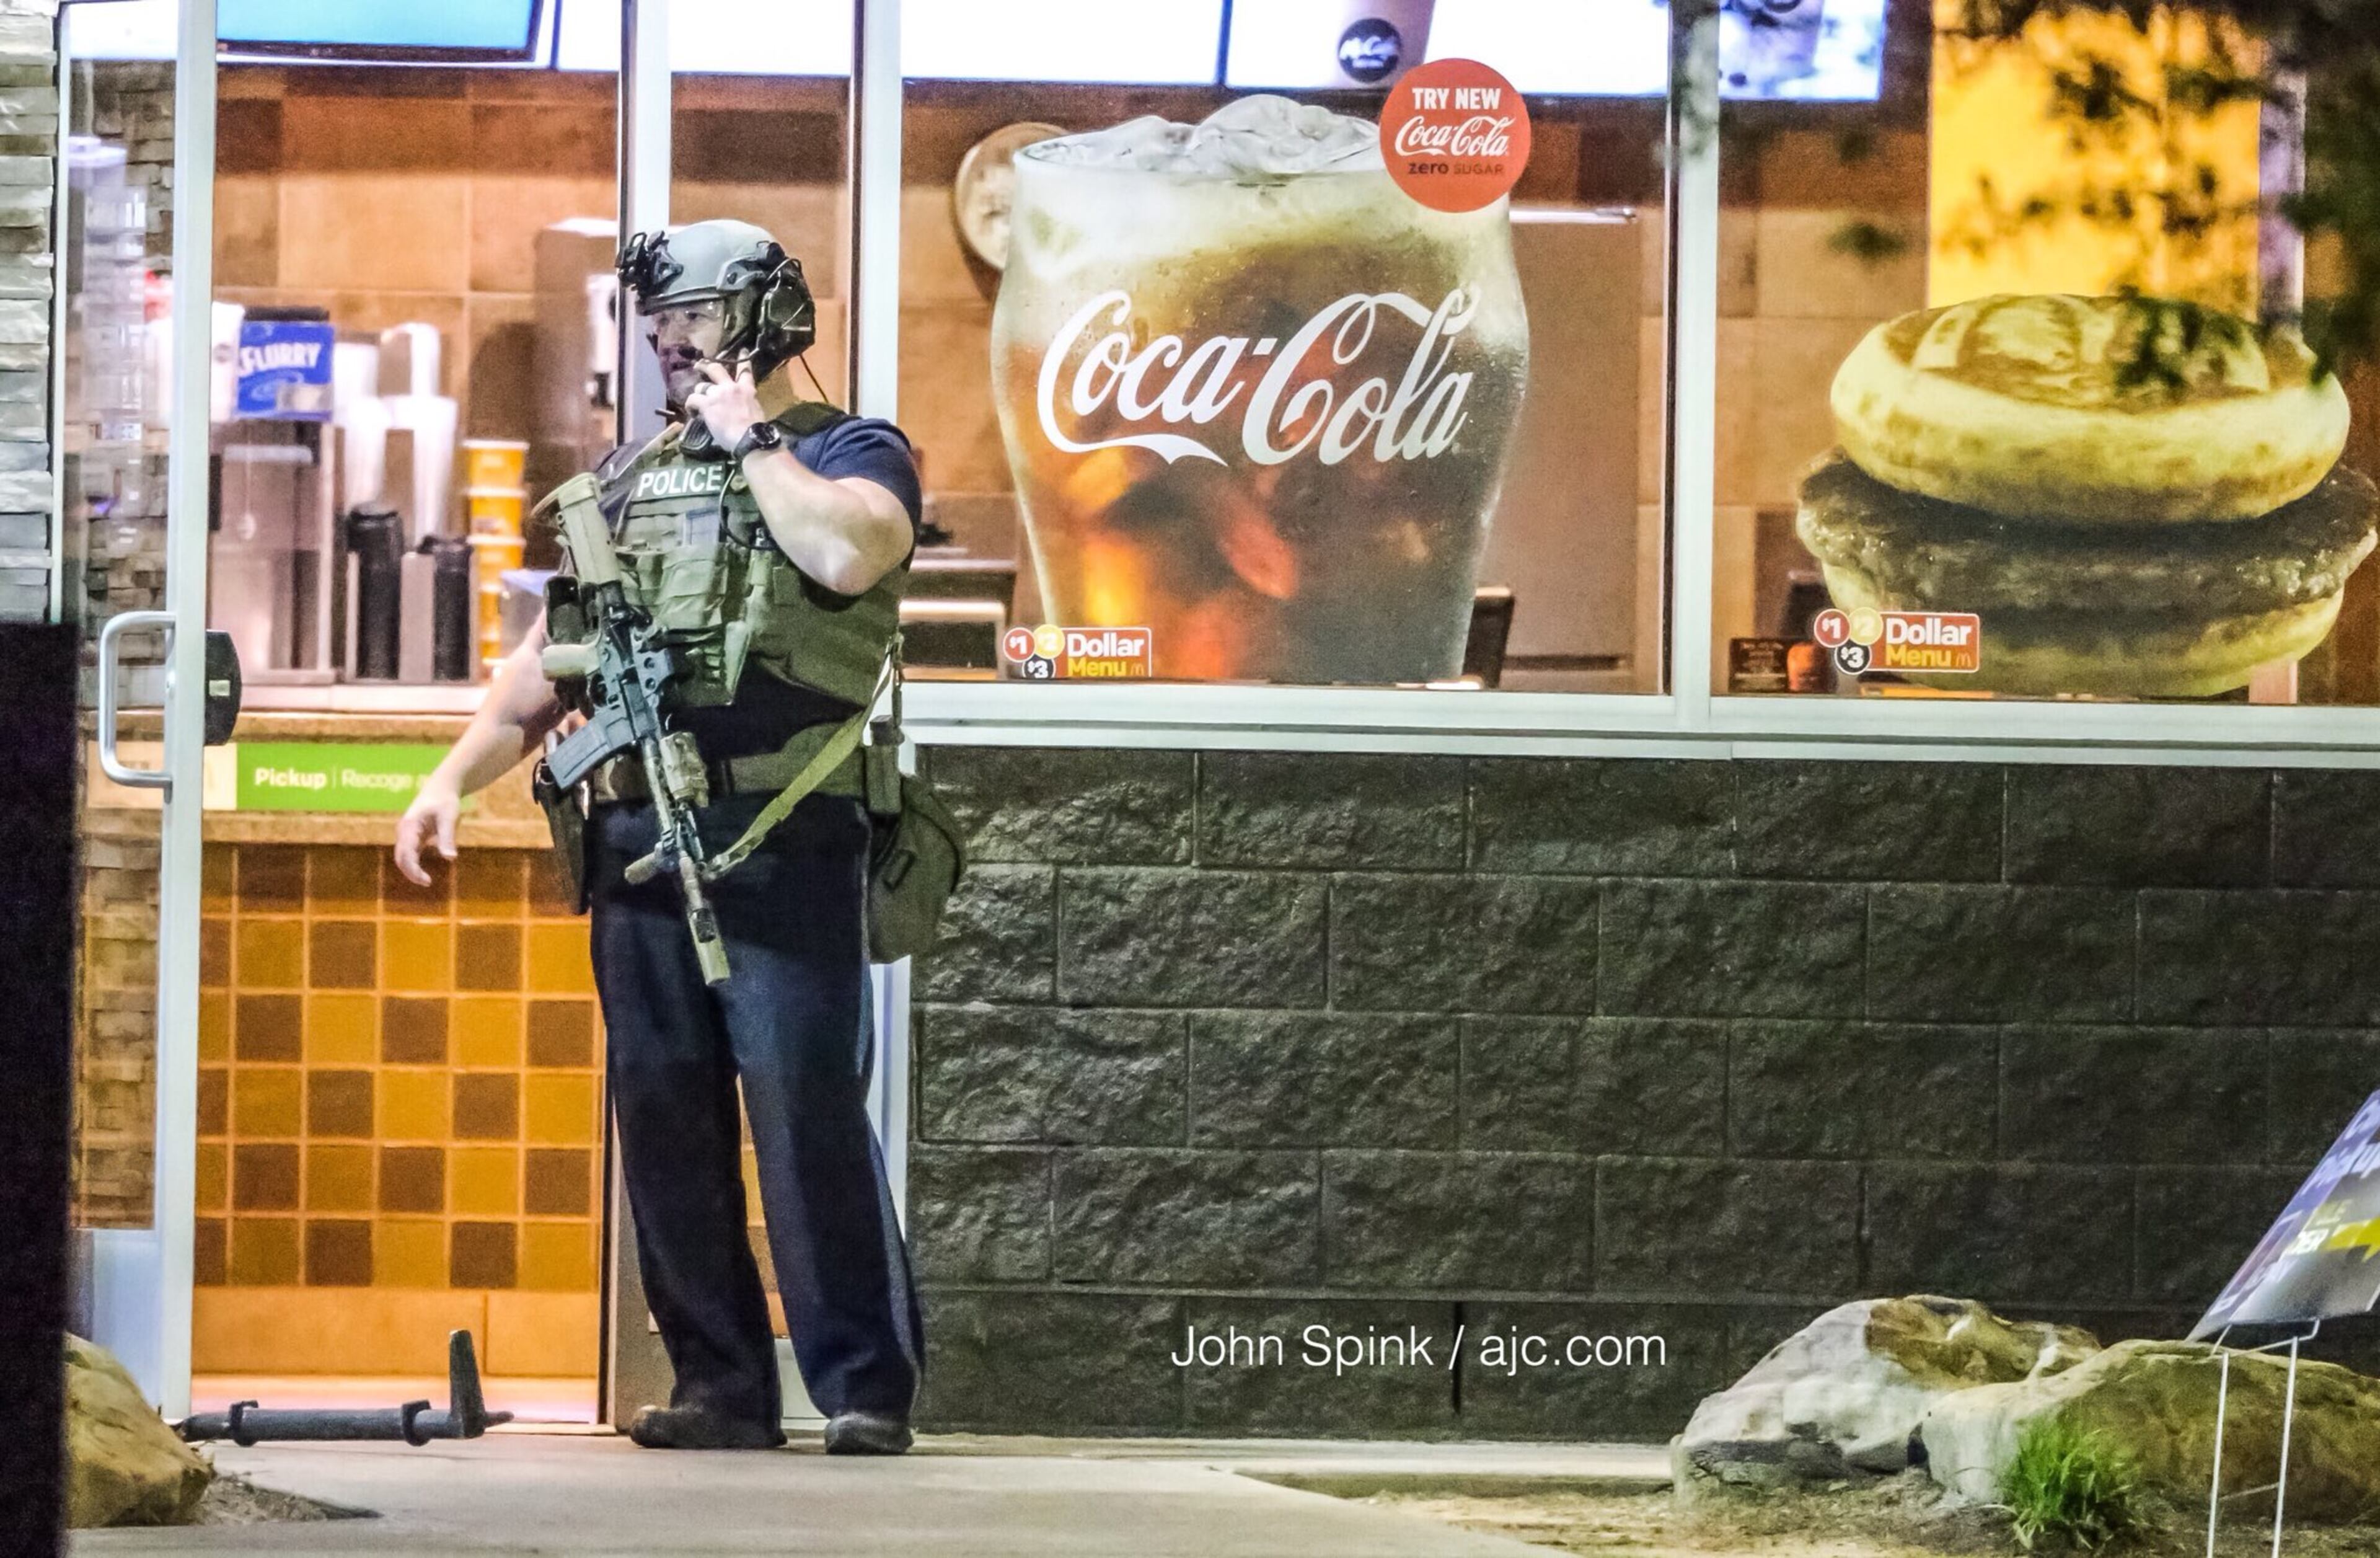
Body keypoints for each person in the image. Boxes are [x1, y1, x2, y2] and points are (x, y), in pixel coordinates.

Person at [393, 219, 923, 1456]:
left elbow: (846, 554)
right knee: (666, 1112)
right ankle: (721, 1387)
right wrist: (451, 779)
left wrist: (751, 443)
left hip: (783, 829)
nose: (673, 346)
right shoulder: (635, 476)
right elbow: (549, 658)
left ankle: (862, 1389)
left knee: (804, 1112)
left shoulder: (851, 451)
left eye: (697, 320)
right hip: (637, 831)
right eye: (661, 328)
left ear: (769, 320)